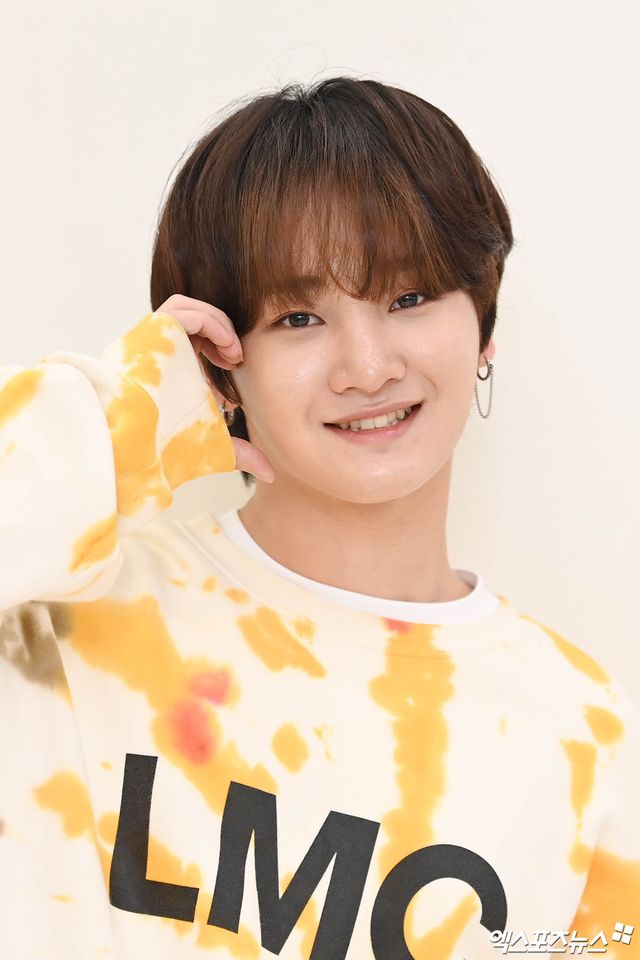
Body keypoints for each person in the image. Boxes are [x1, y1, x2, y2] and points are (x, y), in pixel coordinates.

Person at [0, 77, 638, 960]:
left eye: (409, 299)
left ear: (485, 321)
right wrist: (127, 411)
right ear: (220, 362)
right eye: (298, 317)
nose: (366, 367)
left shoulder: (582, 730)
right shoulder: (63, 615)